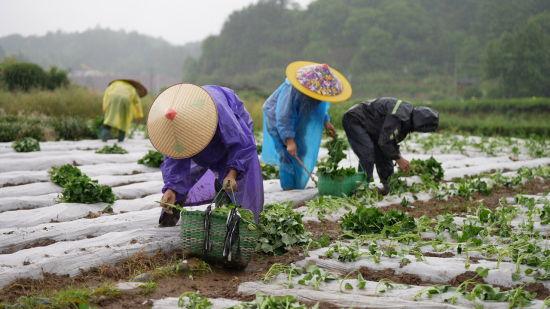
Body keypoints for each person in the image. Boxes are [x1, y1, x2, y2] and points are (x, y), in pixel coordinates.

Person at [147, 83, 264, 226]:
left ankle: (247, 222)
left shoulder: (219, 111)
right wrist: (171, 188)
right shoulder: (174, 127)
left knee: (239, 182)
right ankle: (173, 207)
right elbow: (175, 159)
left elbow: (240, 143)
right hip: (201, 140)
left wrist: (233, 173)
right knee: (186, 172)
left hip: (234, 136)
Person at [262, 61, 352, 190]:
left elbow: (319, 110)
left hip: (297, 119)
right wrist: (289, 140)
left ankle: (297, 185)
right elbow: (283, 116)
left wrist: (326, 121)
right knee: (286, 154)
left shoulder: (318, 92)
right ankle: (289, 189)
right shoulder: (292, 90)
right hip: (276, 120)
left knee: (301, 149)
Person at [342, 97, 439, 195]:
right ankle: (360, 189)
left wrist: (397, 156)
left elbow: (389, 142)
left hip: (371, 126)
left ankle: (388, 187)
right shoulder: (399, 115)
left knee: (384, 153)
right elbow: (385, 141)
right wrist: (399, 159)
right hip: (355, 119)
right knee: (367, 153)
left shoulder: (406, 119)